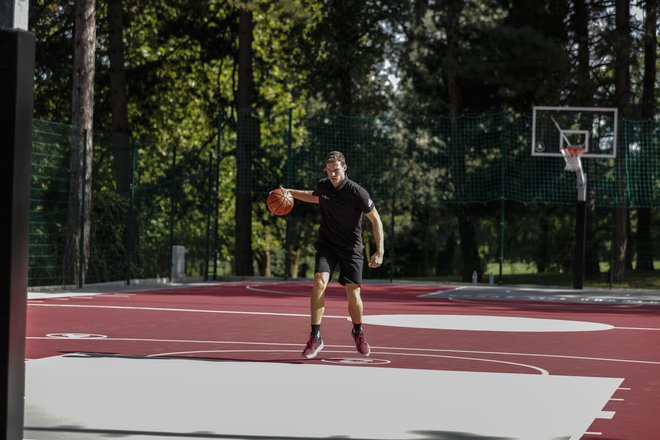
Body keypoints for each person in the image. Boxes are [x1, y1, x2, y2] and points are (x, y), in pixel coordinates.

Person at [282, 151, 384, 359]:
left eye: (336, 170)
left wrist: (379, 250)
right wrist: (289, 192)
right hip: (327, 244)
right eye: (329, 171)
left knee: (353, 294)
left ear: (344, 168)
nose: (333, 175)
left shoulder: (358, 192)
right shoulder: (324, 185)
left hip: (351, 248)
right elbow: (313, 196)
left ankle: (358, 332)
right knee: (319, 281)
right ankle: (315, 336)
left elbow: (376, 220)